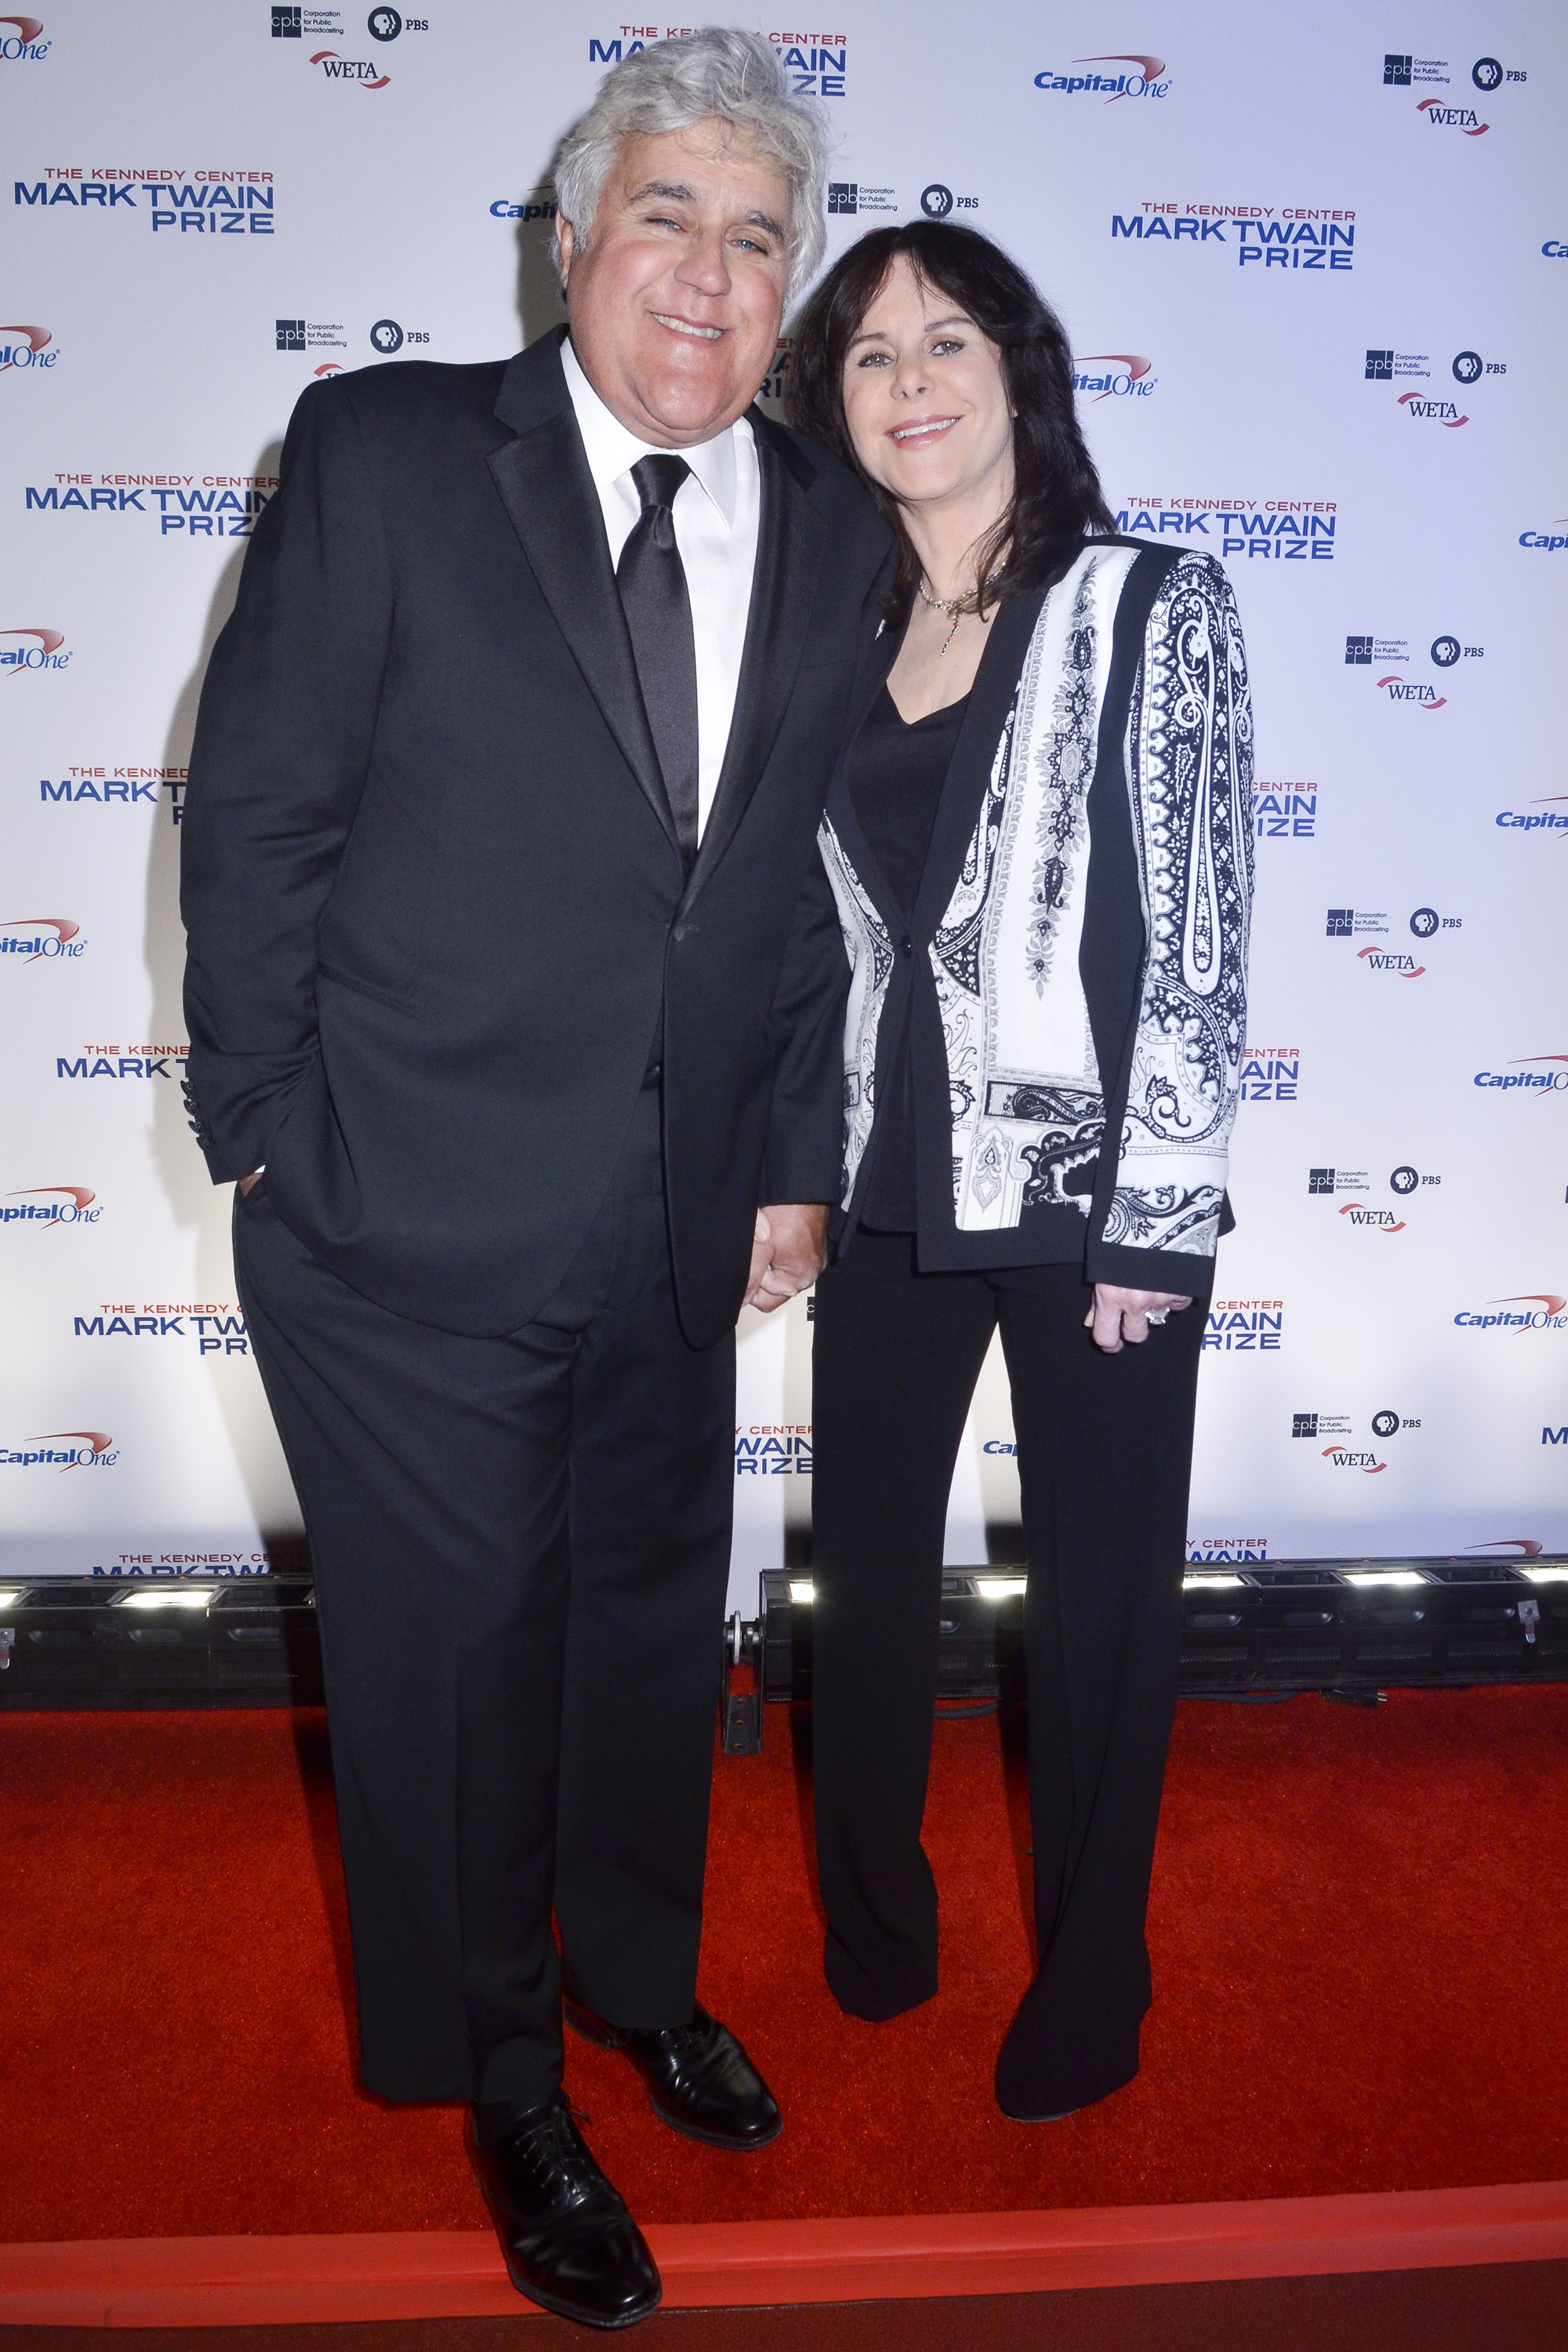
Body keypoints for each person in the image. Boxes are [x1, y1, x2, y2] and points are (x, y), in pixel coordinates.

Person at [179, 31, 889, 2332]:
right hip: (403, 1211)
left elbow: (787, 894)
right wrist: (262, 1131)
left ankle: (634, 1984)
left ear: (790, 285)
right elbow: (259, 808)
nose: (708, 267)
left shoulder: (837, 520)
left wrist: (788, 1161)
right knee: (456, 1676)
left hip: (679, 1229)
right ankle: (503, 2073)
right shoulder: (392, 451)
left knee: (632, 1640)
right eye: (664, 214)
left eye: (755, 232)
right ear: (571, 242)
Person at [789, 221, 1253, 2124]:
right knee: (872, 1583)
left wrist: (1160, 1211)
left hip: (1089, 1211)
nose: (911, 382)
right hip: (889, 1188)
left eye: (946, 340)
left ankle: (1096, 1976)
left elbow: (1204, 930)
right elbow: (812, 941)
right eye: (871, 355)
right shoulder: (829, 634)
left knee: (1103, 1603)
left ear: (1016, 370)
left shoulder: (1150, 602)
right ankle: (875, 1924)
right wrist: (788, 1165)